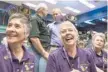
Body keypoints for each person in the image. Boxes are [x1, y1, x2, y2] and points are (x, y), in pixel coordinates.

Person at [29, 3, 50, 72]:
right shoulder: (34, 19)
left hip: (42, 50)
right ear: (42, 10)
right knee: (36, 69)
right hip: (37, 51)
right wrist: (44, 52)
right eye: (46, 10)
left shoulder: (41, 20)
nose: (47, 12)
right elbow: (34, 38)